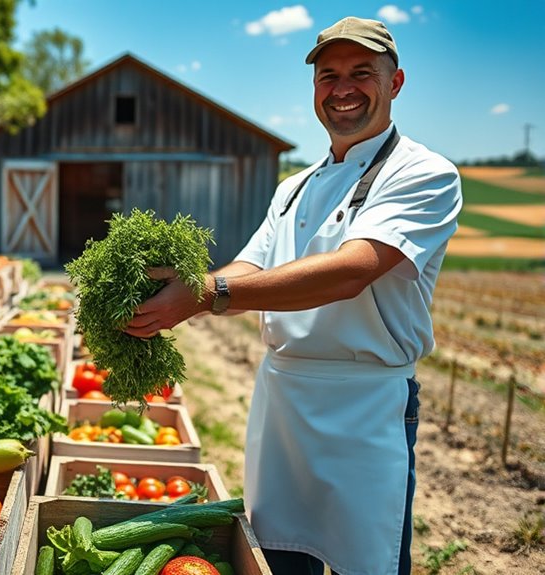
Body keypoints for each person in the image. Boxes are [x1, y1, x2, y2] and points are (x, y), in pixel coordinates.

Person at [124, 16, 462, 575]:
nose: (343, 89)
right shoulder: (294, 186)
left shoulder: (424, 173)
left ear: (396, 81)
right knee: (276, 559)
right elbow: (251, 263)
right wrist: (171, 295)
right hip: (282, 404)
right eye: (328, 76)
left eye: (361, 73)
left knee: (367, 561)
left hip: (365, 407)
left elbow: (352, 270)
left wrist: (209, 293)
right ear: (313, 89)